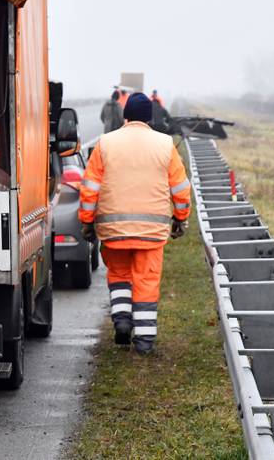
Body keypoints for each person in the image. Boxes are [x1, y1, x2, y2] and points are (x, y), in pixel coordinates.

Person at [78, 92, 191, 355]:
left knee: (118, 277)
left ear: (125, 115)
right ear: (150, 117)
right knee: (146, 283)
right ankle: (144, 343)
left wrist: (87, 222)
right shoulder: (165, 145)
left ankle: (122, 322)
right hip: (152, 233)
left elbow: (90, 188)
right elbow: (181, 189)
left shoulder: (105, 144)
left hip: (113, 230)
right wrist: (181, 219)